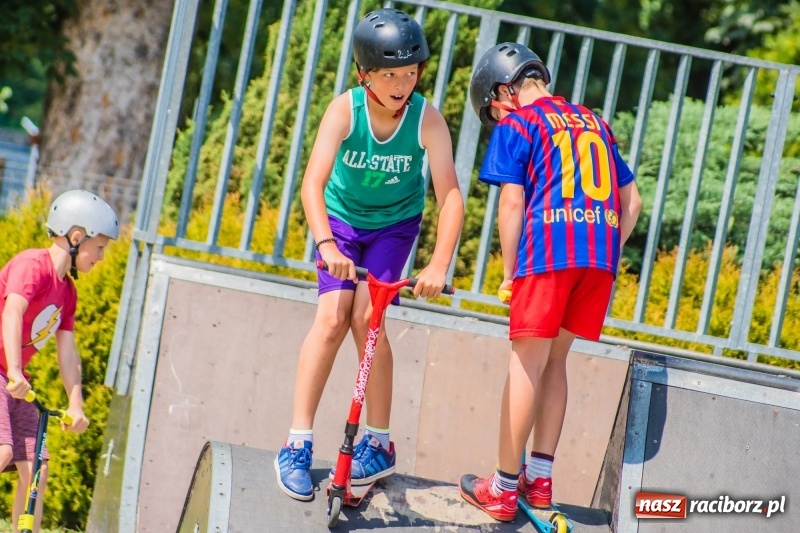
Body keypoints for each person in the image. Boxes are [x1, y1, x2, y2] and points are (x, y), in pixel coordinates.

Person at [273, 8, 464, 501]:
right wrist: (326, 244)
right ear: (365, 75)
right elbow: (312, 185)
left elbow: (450, 197)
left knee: (368, 317)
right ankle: (296, 443)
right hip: (341, 221)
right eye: (390, 74)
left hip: (394, 227)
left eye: (411, 72)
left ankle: (378, 443)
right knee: (333, 316)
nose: (403, 84)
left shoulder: (426, 119)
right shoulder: (345, 110)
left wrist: (439, 264)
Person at [458, 42, 642, 521]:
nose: (498, 121)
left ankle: (502, 487)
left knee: (527, 362)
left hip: (548, 253)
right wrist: (603, 247)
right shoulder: (593, 121)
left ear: (505, 92)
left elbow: (512, 202)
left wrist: (509, 272)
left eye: (493, 112)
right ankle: (538, 481)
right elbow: (633, 202)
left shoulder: (520, 124)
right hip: (598, 258)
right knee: (557, 360)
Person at [0, 189, 119, 533]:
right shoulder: (32, 265)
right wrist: (16, 370)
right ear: (77, 237)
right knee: (3, 451)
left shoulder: (67, 292)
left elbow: (68, 352)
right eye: (100, 247)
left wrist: (75, 403)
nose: (101, 257)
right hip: (8, 373)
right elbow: (12, 312)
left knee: (35, 465)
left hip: (10, 377)